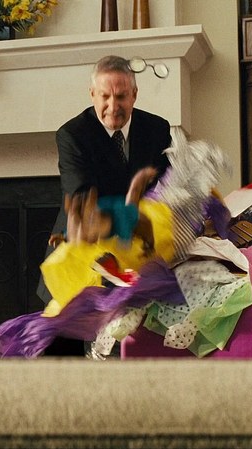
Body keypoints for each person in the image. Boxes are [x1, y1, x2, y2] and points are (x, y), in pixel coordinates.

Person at [37, 55, 172, 355]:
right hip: (81, 257)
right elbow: (84, 202)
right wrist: (134, 202)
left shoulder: (157, 129)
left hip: (135, 255)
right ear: (92, 95)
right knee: (65, 361)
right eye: (105, 96)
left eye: (121, 96)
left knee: (126, 353)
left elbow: (165, 189)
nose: (113, 106)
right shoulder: (72, 135)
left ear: (134, 94)